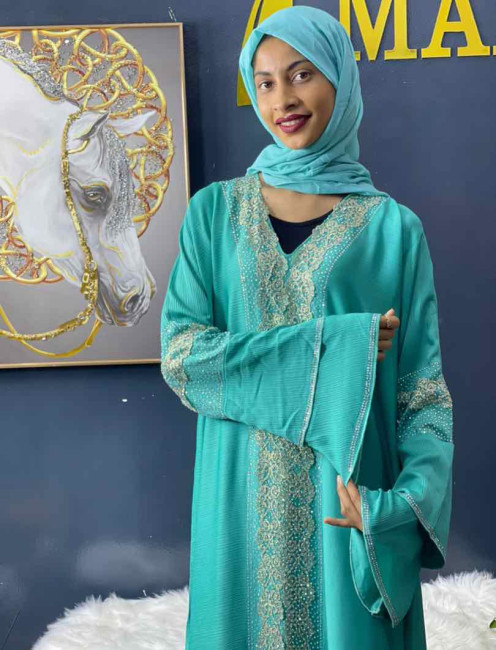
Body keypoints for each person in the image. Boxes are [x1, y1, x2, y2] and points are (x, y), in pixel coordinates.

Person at [159, 6, 454, 649]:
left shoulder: (393, 231)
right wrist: (332, 347)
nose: (283, 100)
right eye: (264, 82)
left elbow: (422, 398)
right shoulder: (215, 215)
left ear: (339, 80)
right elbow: (183, 358)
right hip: (238, 511)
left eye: (301, 74)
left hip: (346, 510)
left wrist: (400, 505)